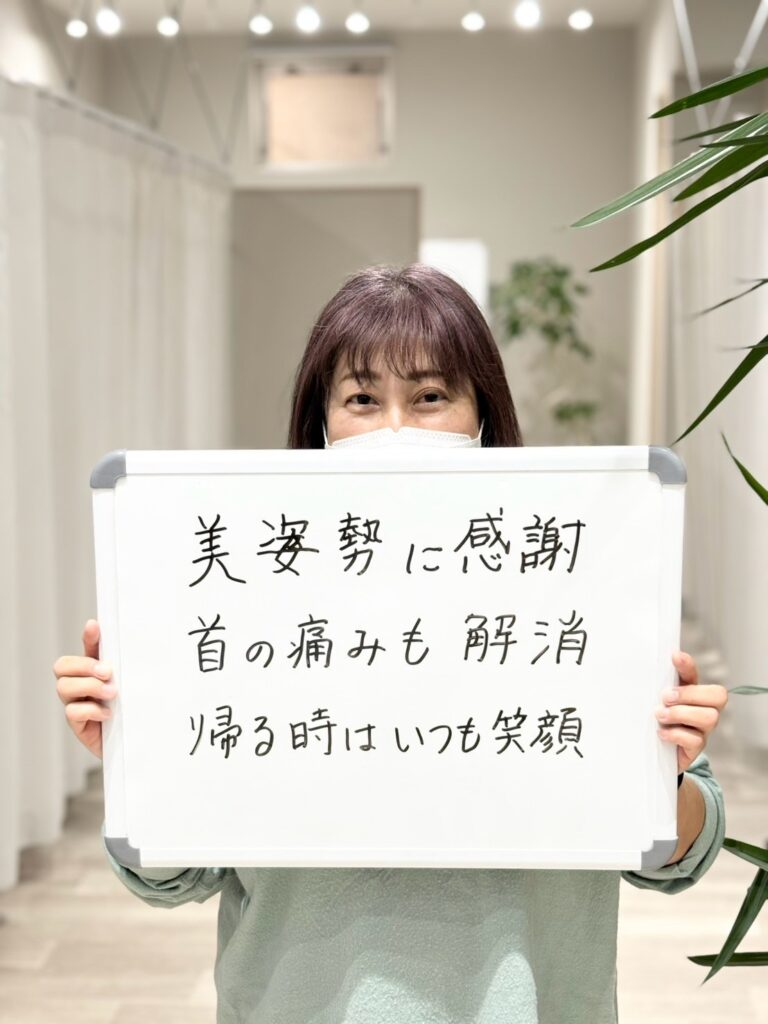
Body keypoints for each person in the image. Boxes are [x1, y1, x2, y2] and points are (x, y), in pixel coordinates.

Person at [53, 264, 728, 1024]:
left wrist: (659, 772)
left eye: (431, 396)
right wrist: (134, 755)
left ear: (484, 416)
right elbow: (180, 874)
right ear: (320, 424)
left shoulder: (580, 585)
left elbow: (678, 854)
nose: (396, 427)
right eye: (362, 400)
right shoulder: (245, 606)